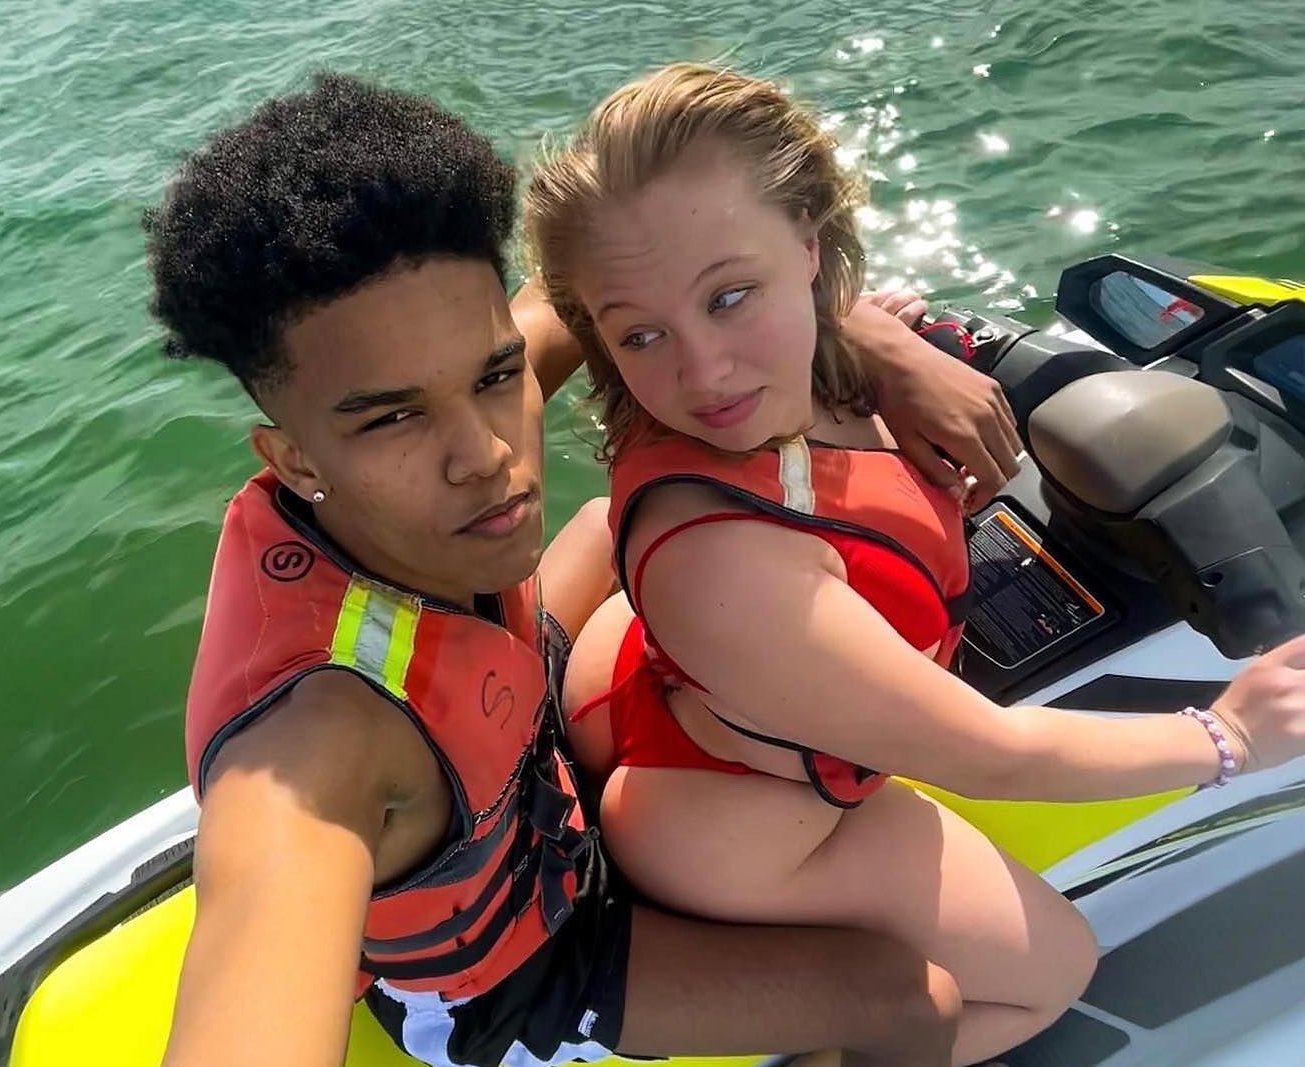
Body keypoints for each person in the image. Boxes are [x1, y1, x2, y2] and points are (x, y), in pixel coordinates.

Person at [141, 73, 1029, 1067]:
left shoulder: (434, 387)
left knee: (620, 519)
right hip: (520, 969)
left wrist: (875, 342)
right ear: (293, 458)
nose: (485, 454)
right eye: (392, 418)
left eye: (497, 374)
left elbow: (656, 252)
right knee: (907, 999)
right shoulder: (313, 742)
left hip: (523, 739)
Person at [524, 62, 1305, 1067]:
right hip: (748, 828)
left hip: (640, 683)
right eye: (641, 333)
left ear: (809, 244)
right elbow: (991, 756)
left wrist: (884, 337)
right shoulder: (729, 568)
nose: (703, 370)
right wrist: (1228, 735)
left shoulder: (821, 362)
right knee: (1048, 972)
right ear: (603, 331)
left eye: (731, 295)